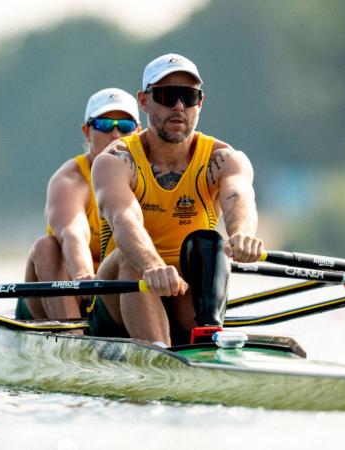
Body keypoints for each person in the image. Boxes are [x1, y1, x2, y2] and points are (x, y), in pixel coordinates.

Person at [90, 54, 264, 346]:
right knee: (129, 259)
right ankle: (162, 357)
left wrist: (243, 235)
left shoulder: (223, 158)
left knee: (210, 242)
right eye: (168, 96)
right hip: (122, 297)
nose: (179, 107)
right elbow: (124, 219)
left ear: (200, 103)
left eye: (188, 96)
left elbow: (239, 195)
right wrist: (152, 265)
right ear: (144, 101)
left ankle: (208, 339)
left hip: (185, 293)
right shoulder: (116, 161)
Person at [16, 88, 140, 322]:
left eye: (124, 126)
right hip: (67, 291)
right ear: (87, 131)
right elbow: (73, 234)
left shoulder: (150, 176)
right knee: (46, 247)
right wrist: (84, 277)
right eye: (104, 125)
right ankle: (71, 335)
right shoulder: (70, 180)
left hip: (111, 291)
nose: (115, 134)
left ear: (138, 132)